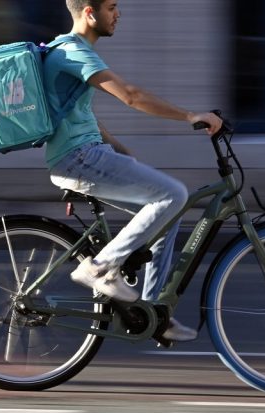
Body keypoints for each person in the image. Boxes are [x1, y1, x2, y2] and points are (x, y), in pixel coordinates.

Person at [43, 0, 222, 341]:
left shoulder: (65, 50)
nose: (118, 14)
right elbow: (131, 96)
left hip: (83, 156)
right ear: (90, 13)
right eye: (111, 7)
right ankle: (99, 268)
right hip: (80, 158)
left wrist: (122, 153)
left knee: (166, 213)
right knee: (175, 193)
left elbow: (82, 115)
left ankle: (155, 314)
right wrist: (189, 116)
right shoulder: (74, 52)